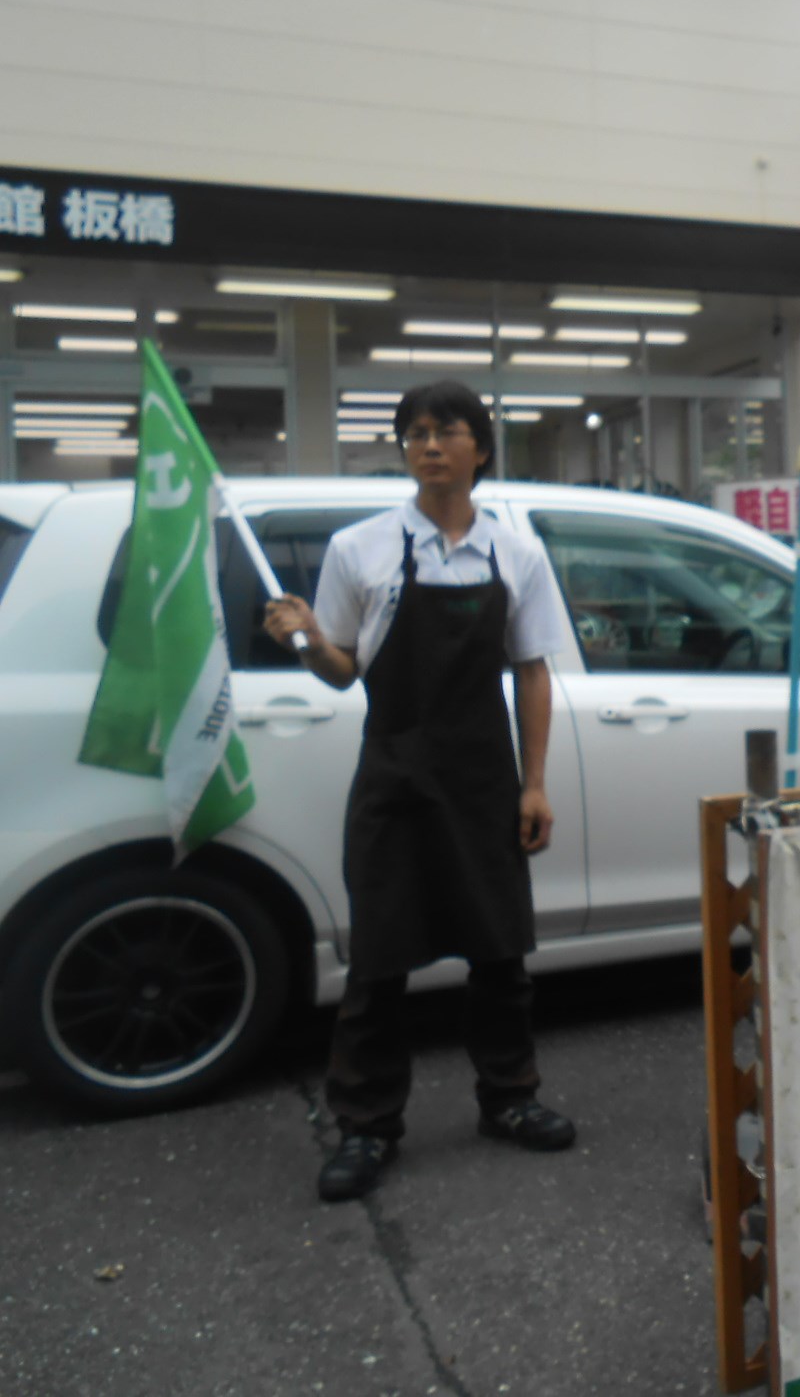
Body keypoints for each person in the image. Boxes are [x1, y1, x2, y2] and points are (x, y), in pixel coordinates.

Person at [263, 381, 579, 1203]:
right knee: (379, 959)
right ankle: (366, 1127)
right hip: (394, 776)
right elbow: (342, 671)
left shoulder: (516, 554)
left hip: (483, 779)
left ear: (482, 448)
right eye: (415, 433)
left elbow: (531, 670)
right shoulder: (359, 549)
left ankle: (510, 1099)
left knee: (500, 952)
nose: (429, 445)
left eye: (446, 431)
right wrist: (306, 639)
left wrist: (534, 784)